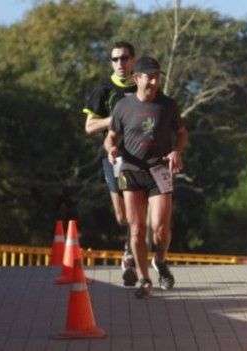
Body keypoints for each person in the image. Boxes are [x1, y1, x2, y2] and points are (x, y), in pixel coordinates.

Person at [104, 55, 188, 298]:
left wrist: (176, 150)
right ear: (136, 78)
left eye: (156, 77)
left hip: (159, 169)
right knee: (137, 228)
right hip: (131, 169)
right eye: (149, 77)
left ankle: (160, 260)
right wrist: (111, 148)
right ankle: (144, 279)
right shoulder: (123, 106)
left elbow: (181, 133)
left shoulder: (167, 105)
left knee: (160, 228)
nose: (153, 81)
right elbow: (111, 136)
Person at [82, 41, 139, 287]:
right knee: (121, 214)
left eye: (124, 58)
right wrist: (114, 119)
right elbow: (89, 127)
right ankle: (129, 244)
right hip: (113, 157)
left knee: (137, 208)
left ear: (133, 60)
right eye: (115, 59)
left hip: (139, 157)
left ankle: (130, 255)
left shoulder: (142, 85)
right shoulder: (103, 90)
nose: (120, 63)